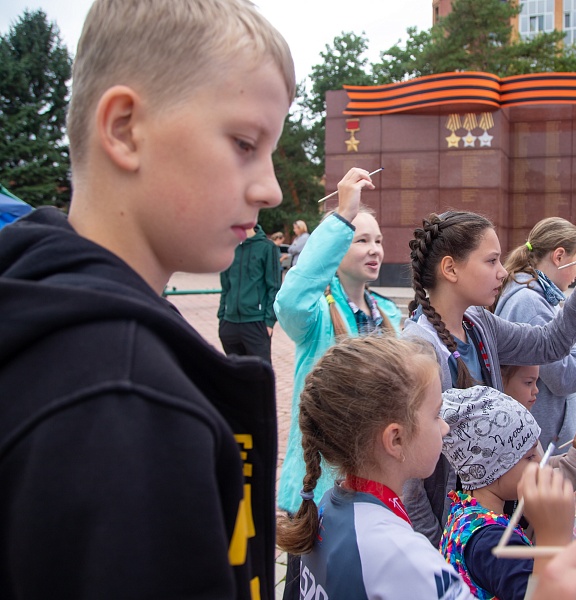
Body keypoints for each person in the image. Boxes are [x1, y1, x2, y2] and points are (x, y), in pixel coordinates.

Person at [0, 1, 294, 597]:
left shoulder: (44, 314)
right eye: (244, 143)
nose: (271, 189)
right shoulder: (128, 404)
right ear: (124, 129)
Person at [276, 336, 576, 600]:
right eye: (435, 415)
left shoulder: (328, 509)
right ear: (396, 440)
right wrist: (560, 537)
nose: (446, 428)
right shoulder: (400, 556)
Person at [402, 210, 576, 545]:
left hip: (489, 523)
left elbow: (549, 343)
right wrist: (434, 547)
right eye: (491, 261)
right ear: (450, 268)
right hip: (452, 534)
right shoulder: (417, 350)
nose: (502, 271)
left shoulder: (478, 323)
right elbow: (409, 476)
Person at [273, 167, 402, 596]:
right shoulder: (315, 317)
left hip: (375, 489)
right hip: (321, 489)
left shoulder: (390, 315)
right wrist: (342, 217)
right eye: (360, 239)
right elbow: (290, 299)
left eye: (378, 240)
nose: (374, 250)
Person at [438, 387, 576, 599]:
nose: (540, 462)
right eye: (529, 457)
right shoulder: (492, 543)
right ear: (492, 469)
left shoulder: (466, 513)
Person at [494, 217, 576, 453]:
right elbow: (564, 375)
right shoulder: (528, 302)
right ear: (559, 256)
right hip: (545, 451)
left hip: (550, 450)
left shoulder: (539, 297)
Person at [500, 365, 576, 487]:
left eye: (536, 382)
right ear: (501, 381)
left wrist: (574, 455)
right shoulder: (510, 433)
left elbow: (541, 464)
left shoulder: (522, 422)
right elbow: (539, 485)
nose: (536, 390)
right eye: (528, 382)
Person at [218, 224, 281, 363]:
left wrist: (269, 322)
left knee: (260, 373)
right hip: (229, 323)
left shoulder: (267, 247)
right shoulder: (229, 247)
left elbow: (274, 287)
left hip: (256, 323)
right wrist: (222, 317)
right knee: (235, 373)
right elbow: (225, 286)